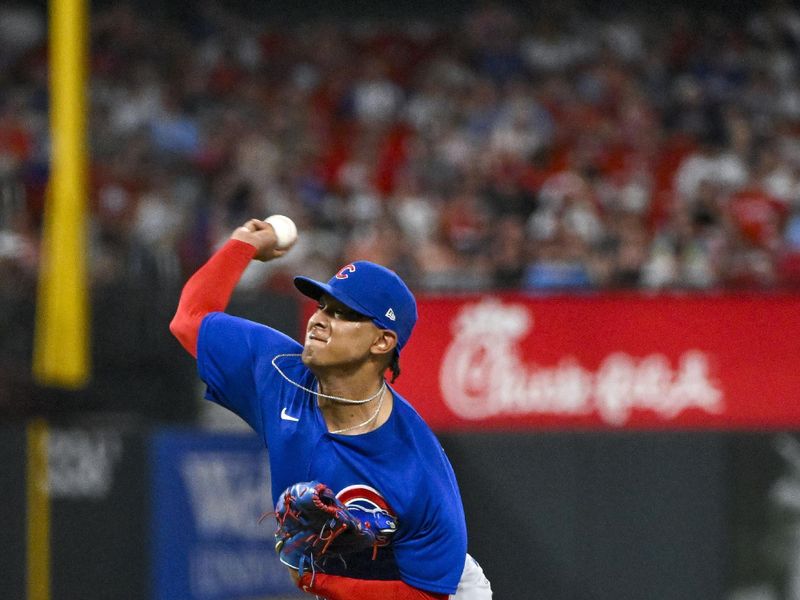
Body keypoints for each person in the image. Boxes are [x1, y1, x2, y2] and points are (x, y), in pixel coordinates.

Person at [170, 217, 492, 599]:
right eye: (322, 305)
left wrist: (314, 579)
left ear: (382, 341)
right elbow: (190, 319)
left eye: (342, 313)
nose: (319, 320)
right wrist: (243, 244)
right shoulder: (278, 372)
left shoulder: (416, 465)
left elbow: (425, 593)